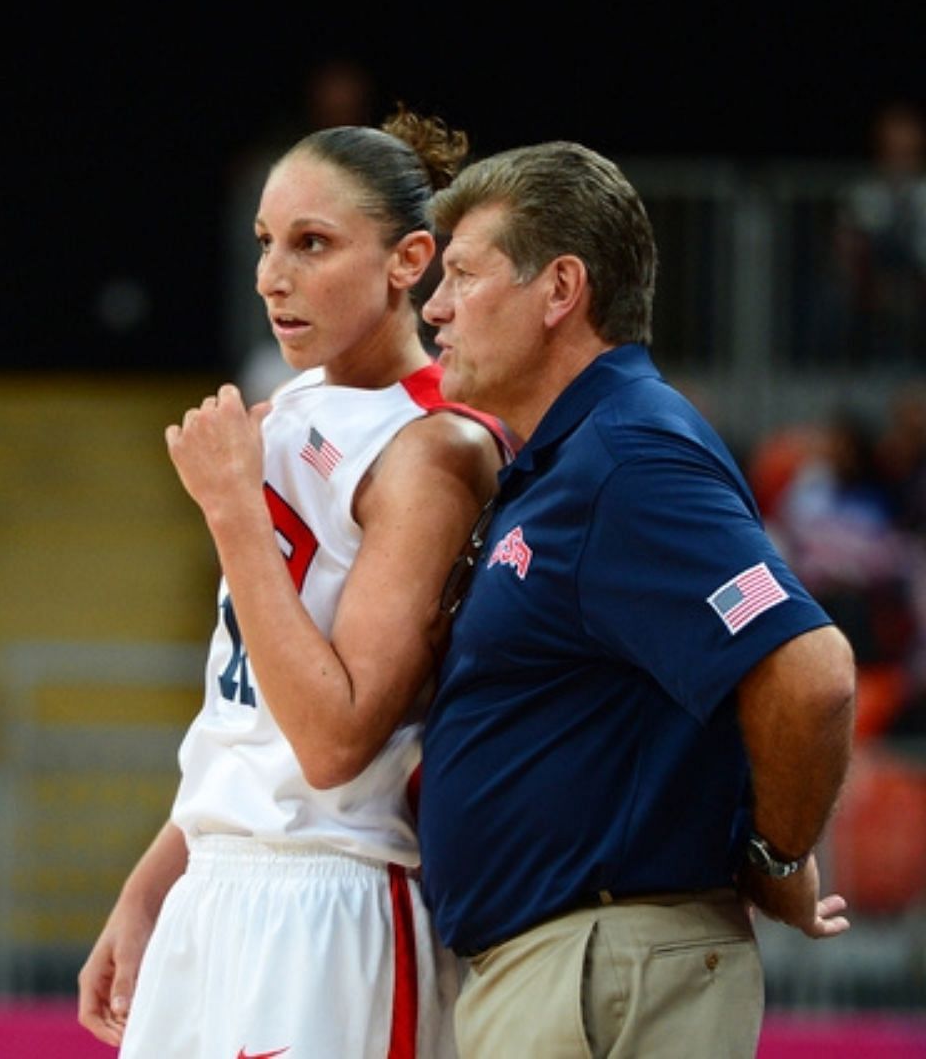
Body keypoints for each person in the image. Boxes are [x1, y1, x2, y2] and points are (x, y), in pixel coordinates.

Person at [74, 110, 508, 1058]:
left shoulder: (432, 449)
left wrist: (233, 513)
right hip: (215, 884)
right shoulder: (282, 411)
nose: (274, 275)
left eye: (313, 244)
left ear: (410, 261)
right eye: (267, 242)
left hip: (336, 892)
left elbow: (334, 742)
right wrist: (153, 886)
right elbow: (248, 716)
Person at [416, 141, 860, 1057]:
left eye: (462, 273)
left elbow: (811, 674)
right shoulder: (579, 459)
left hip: (598, 970)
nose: (435, 307)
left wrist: (776, 854)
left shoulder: (629, 461)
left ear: (560, 289)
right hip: (582, 969)